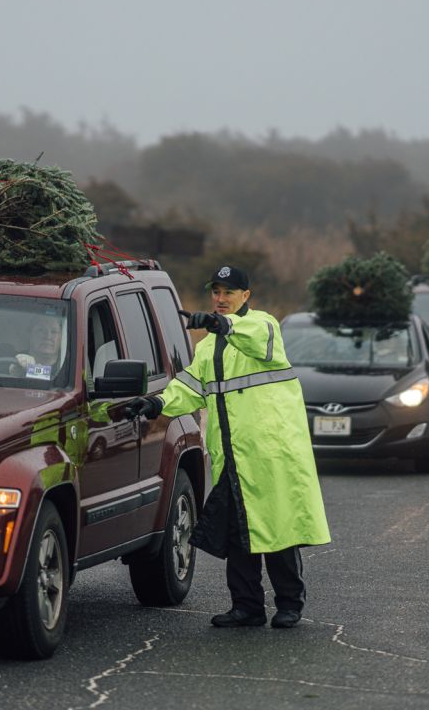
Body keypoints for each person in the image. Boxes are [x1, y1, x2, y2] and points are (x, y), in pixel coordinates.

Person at [124, 265, 330, 629]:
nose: (220, 300)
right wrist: (156, 405)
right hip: (231, 455)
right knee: (237, 535)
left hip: (269, 454)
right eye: (216, 293)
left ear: (246, 296)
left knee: (278, 530)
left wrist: (223, 325)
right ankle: (247, 606)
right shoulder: (206, 349)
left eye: (228, 293)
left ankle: (289, 604)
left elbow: (254, 338)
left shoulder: (264, 326)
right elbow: (188, 388)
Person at [10, 312, 64, 379]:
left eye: (54, 332)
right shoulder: (12, 360)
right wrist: (14, 370)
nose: (48, 336)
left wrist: (32, 369)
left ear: (61, 337)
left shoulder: (69, 366)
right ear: (30, 334)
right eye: (41, 330)